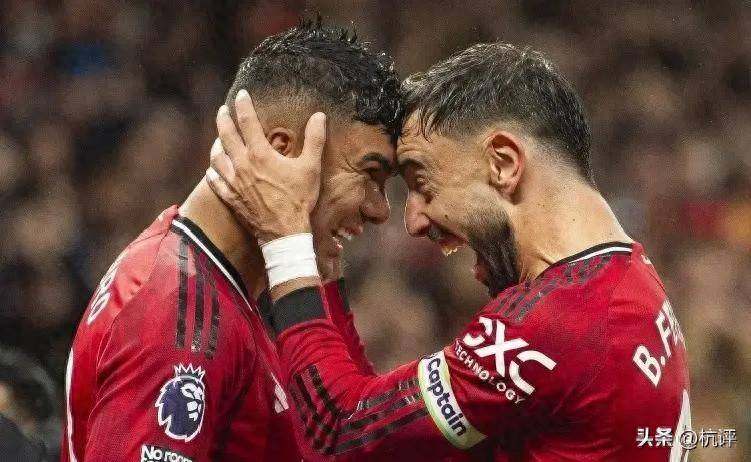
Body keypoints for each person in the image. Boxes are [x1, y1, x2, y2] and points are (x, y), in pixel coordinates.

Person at [208, 42, 691, 461]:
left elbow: (338, 436)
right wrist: (323, 267)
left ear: (503, 163)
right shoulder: (627, 284)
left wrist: (287, 242)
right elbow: (380, 436)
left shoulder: (559, 322)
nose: (413, 221)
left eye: (421, 181)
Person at [62, 21, 402, 462]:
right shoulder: (179, 309)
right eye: (369, 174)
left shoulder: (204, 284)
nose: (380, 210)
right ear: (280, 151)